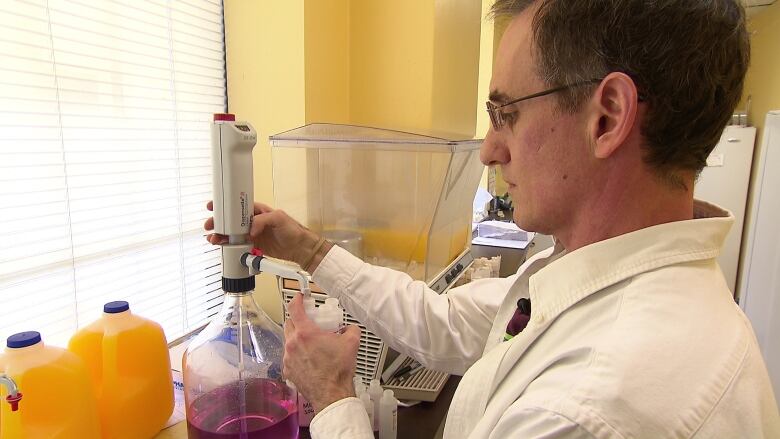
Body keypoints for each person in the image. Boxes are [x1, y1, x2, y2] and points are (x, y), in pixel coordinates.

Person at [207, 1, 780, 437]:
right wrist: (308, 249)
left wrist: (334, 402)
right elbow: (445, 322)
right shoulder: (590, 274)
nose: (488, 150)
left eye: (504, 113)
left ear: (607, 118)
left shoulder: (594, 405)